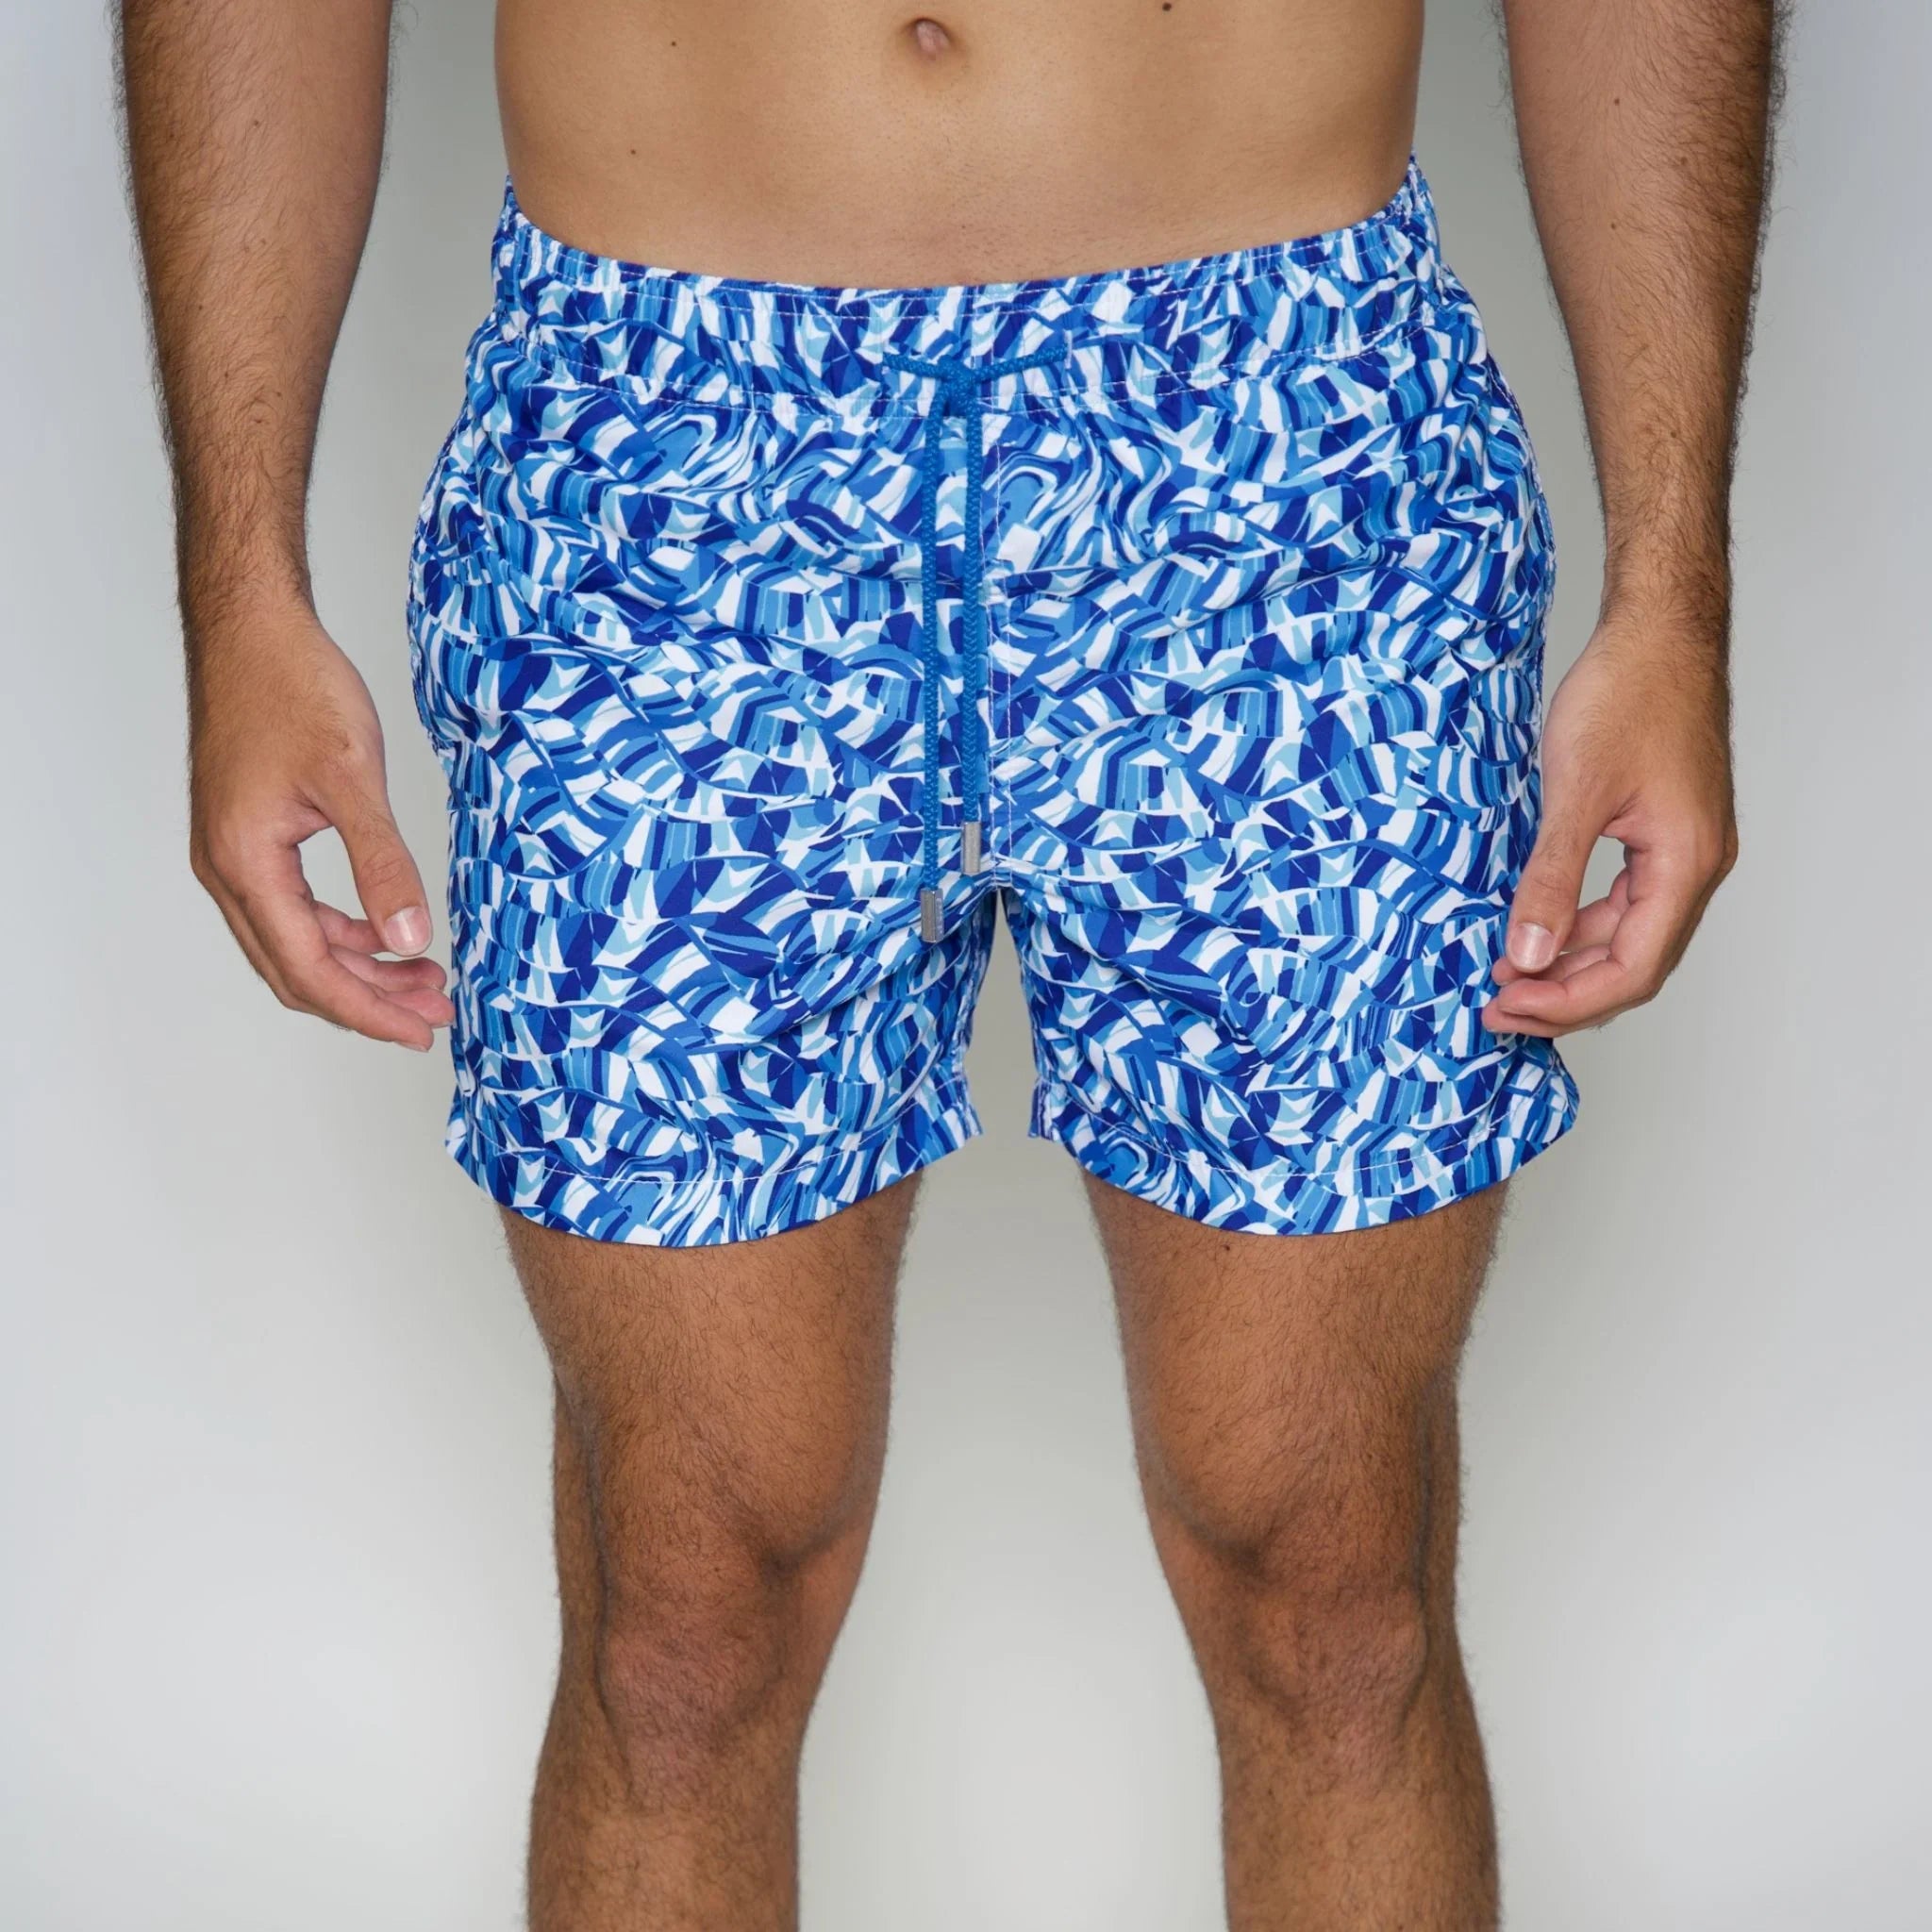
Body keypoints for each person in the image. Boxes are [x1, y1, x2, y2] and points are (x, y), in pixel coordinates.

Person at [119, 0, 1774, 1924]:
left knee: (1333, 1595)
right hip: (665, 475)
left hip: (1285, 454)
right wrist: (239, 589)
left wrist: (1676, 586)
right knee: (682, 1620)